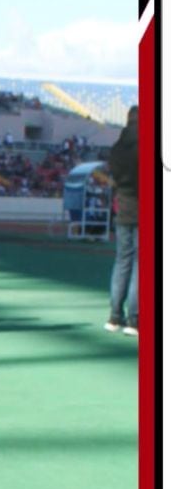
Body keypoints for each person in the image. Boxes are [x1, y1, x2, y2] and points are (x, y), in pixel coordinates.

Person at [104, 106, 139, 336]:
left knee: (122, 261)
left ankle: (115, 315)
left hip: (124, 210)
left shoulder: (117, 149)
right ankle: (134, 318)